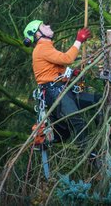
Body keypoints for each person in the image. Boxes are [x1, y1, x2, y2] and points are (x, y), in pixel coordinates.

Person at [23, 20, 100, 149]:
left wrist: (71, 73)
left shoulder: (46, 48)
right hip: (56, 92)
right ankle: (90, 154)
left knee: (97, 101)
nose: (48, 26)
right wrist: (79, 40)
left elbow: (55, 69)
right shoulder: (42, 48)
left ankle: (103, 133)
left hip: (61, 90)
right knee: (78, 122)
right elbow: (67, 59)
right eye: (43, 26)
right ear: (37, 35)